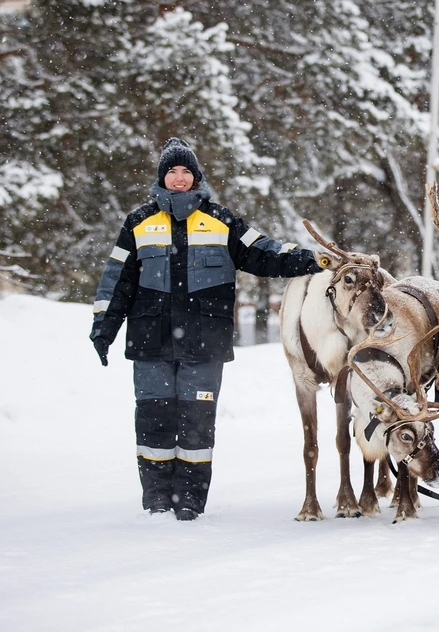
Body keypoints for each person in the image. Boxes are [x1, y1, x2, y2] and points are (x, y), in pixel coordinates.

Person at [90, 138, 323, 520]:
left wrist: (311, 259)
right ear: (161, 177)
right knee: (153, 422)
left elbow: (264, 252)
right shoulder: (138, 222)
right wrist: (104, 327)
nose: (179, 179)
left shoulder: (221, 219)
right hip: (151, 342)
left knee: (196, 427)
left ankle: (189, 506)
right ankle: (157, 504)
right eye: (172, 172)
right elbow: (117, 281)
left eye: (186, 172)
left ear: (196, 177)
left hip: (204, 343)